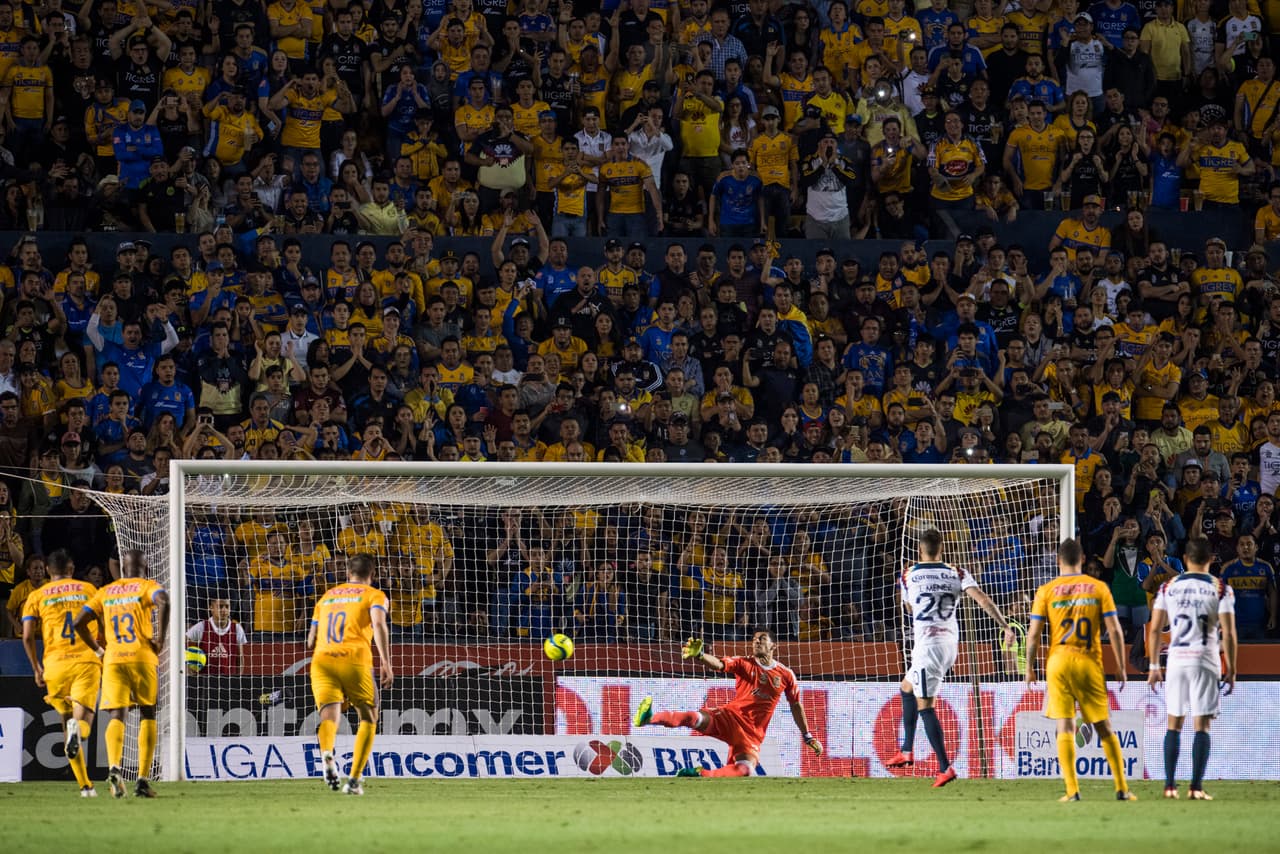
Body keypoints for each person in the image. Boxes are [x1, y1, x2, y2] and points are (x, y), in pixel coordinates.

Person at [886, 528, 1015, 787]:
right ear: (942, 548)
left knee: (926, 706)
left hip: (928, 647)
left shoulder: (908, 574)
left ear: (920, 549)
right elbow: (982, 599)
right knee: (906, 687)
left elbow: (909, 607)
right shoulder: (957, 572)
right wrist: (1005, 626)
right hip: (949, 644)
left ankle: (945, 767)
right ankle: (906, 750)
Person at [1025, 538, 1137, 801]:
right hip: (1088, 662)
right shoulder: (1098, 587)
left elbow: (1033, 635)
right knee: (1104, 727)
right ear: (1083, 559)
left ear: (1058, 560)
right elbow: (1115, 630)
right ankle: (1122, 788)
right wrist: (1121, 665)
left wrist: (1029, 668)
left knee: (1064, 726)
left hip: (1058, 662)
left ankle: (1072, 791)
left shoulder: (1046, 590)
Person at [633, 629, 823, 777]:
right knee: (694, 717)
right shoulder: (744, 663)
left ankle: (700, 774)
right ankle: (649, 718)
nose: (756, 641)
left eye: (762, 638)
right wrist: (700, 655)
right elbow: (719, 664)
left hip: (751, 734)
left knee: (745, 769)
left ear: (773, 646)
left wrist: (808, 736)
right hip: (729, 718)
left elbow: (796, 705)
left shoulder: (786, 674)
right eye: (754, 639)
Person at [1146, 537, 1237, 800]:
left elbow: (1155, 629)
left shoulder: (1168, 587)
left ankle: (1169, 786)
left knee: (1174, 723)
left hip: (1177, 660)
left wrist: (1154, 665)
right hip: (1206, 660)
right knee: (1202, 725)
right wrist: (1231, 668)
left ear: (1185, 559)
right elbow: (1229, 633)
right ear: (1210, 560)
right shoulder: (1221, 588)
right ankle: (1196, 788)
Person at [74, 548, 169, 799]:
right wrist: (160, 639)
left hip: (113, 658)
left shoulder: (106, 591)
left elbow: (78, 622)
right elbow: (164, 601)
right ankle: (142, 780)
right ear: (145, 568)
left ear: (124, 569)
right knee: (148, 712)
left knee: (117, 714)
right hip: (142, 656)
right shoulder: (147, 586)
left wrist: (98, 650)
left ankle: (114, 767)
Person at [306, 551, 393, 795]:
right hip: (354, 660)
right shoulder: (375, 595)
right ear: (372, 574)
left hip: (322, 661)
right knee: (369, 717)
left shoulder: (327, 596)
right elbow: (379, 624)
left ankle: (327, 755)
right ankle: (353, 781)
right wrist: (386, 663)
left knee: (329, 718)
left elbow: (310, 639)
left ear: (348, 573)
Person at [20, 548, 100, 797]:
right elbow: (103, 623)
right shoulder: (89, 590)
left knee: (66, 722)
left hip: (55, 666)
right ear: (71, 568)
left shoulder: (37, 595)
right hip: (85, 662)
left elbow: (27, 636)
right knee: (82, 723)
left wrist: (36, 667)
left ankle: (85, 786)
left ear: (47, 570)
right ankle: (79, 731)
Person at [185, 596, 247, 675]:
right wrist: (188, 665)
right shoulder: (201, 627)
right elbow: (181, 642)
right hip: (205, 679)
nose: (224, 610)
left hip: (229, 680)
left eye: (227, 606)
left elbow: (240, 656)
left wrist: (239, 678)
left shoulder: (237, 628)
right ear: (211, 608)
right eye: (220, 606)